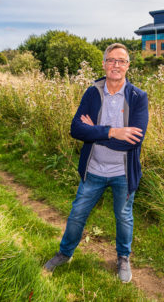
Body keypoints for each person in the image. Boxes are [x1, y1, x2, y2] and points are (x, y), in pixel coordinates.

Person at [44, 43, 149, 283]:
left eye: (121, 61)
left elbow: (133, 141)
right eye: (111, 60)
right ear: (103, 64)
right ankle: (64, 253)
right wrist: (113, 132)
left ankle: (123, 258)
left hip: (123, 172)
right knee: (78, 213)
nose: (116, 65)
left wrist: (95, 131)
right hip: (94, 169)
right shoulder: (93, 92)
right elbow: (76, 129)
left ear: (128, 66)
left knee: (124, 217)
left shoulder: (137, 97)